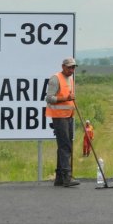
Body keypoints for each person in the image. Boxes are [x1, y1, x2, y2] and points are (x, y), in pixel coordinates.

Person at [45, 58, 80, 187]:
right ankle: (67, 177)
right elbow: (48, 98)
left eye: (73, 67)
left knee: (65, 145)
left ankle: (59, 177)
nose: (71, 70)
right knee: (65, 146)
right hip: (59, 117)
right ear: (63, 67)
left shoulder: (70, 79)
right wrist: (66, 98)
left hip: (68, 115)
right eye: (69, 67)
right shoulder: (55, 78)